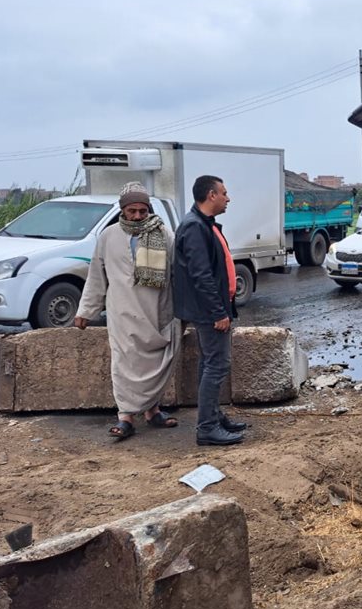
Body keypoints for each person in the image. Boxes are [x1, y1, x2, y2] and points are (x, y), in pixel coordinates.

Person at [74, 181, 180, 440]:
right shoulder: (108, 237)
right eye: (132, 211)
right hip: (121, 311)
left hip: (156, 310)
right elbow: (97, 277)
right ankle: (125, 417)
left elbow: (177, 273)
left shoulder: (164, 235)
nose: (138, 216)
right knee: (122, 362)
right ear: (122, 210)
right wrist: (85, 311)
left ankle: (153, 411)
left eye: (142, 211)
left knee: (156, 362)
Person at [172, 174, 248, 446]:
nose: (229, 198)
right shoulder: (194, 227)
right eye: (224, 193)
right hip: (208, 311)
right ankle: (206, 428)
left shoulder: (204, 223)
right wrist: (218, 313)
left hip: (212, 308)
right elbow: (201, 275)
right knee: (217, 365)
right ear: (211, 195)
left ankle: (214, 417)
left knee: (210, 364)